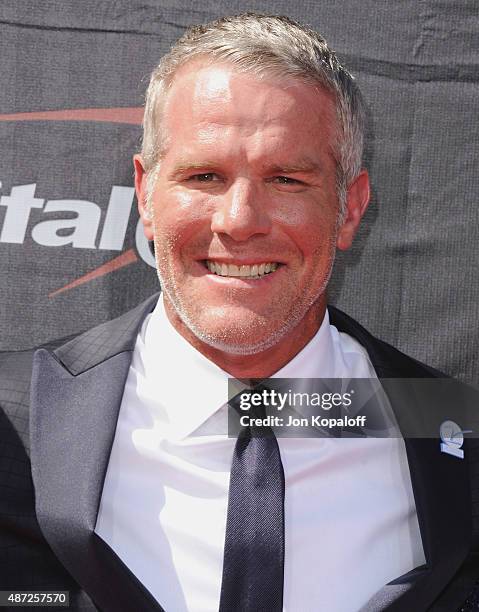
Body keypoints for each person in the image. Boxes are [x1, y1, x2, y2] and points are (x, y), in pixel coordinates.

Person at [1, 13, 477, 612]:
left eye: (285, 179)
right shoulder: (17, 420)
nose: (239, 220)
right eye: (204, 176)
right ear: (146, 196)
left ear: (350, 208)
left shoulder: (452, 431)